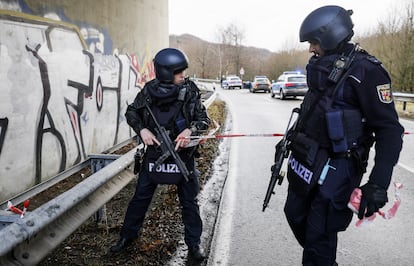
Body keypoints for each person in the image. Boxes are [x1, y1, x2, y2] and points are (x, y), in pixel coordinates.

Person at [281, 5, 404, 266]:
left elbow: (389, 130)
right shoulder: (320, 66)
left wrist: (378, 182)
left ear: (331, 36)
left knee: (319, 236)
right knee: (294, 213)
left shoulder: (367, 71)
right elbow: (312, 110)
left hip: (341, 164)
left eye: (314, 42)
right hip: (309, 157)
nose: (310, 49)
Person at [110, 48, 210, 261]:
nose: (183, 74)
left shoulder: (190, 90)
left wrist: (190, 130)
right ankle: (127, 236)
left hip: (183, 157)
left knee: (190, 202)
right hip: (154, 156)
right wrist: (142, 130)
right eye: (178, 71)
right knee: (139, 199)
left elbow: (204, 119)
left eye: (183, 70)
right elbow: (132, 112)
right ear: (166, 72)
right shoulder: (149, 91)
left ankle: (194, 244)